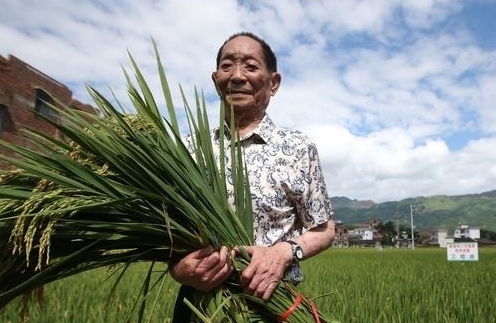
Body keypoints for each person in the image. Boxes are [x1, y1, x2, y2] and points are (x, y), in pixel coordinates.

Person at [170, 31, 335, 321]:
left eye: (250, 66)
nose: (236, 76)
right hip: (198, 308)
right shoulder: (189, 149)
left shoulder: (297, 148)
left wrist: (283, 253)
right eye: (227, 66)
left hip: (270, 305)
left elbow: (323, 229)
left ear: (274, 83)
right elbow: (166, 232)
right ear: (215, 79)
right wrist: (178, 269)